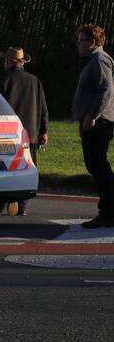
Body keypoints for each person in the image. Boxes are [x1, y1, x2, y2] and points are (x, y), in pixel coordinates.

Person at [72, 24, 114, 228]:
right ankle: (108, 210)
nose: (78, 44)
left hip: (99, 122)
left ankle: (108, 212)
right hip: (93, 121)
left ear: (93, 43)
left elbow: (106, 89)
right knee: (96, 166)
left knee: (99, 166)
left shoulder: (100, 59)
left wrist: (91, 116)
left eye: (81, 40)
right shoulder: (94, 60)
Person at [0, 46, 48, 216]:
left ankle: (11, 197)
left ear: (8, 62)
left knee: (8, 167)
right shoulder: (35, 80)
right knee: (27, 167)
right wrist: (44, 131)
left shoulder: (3, 80)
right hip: (31, 133)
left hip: (8, 132)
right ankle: (23, 203)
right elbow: (43, 108)